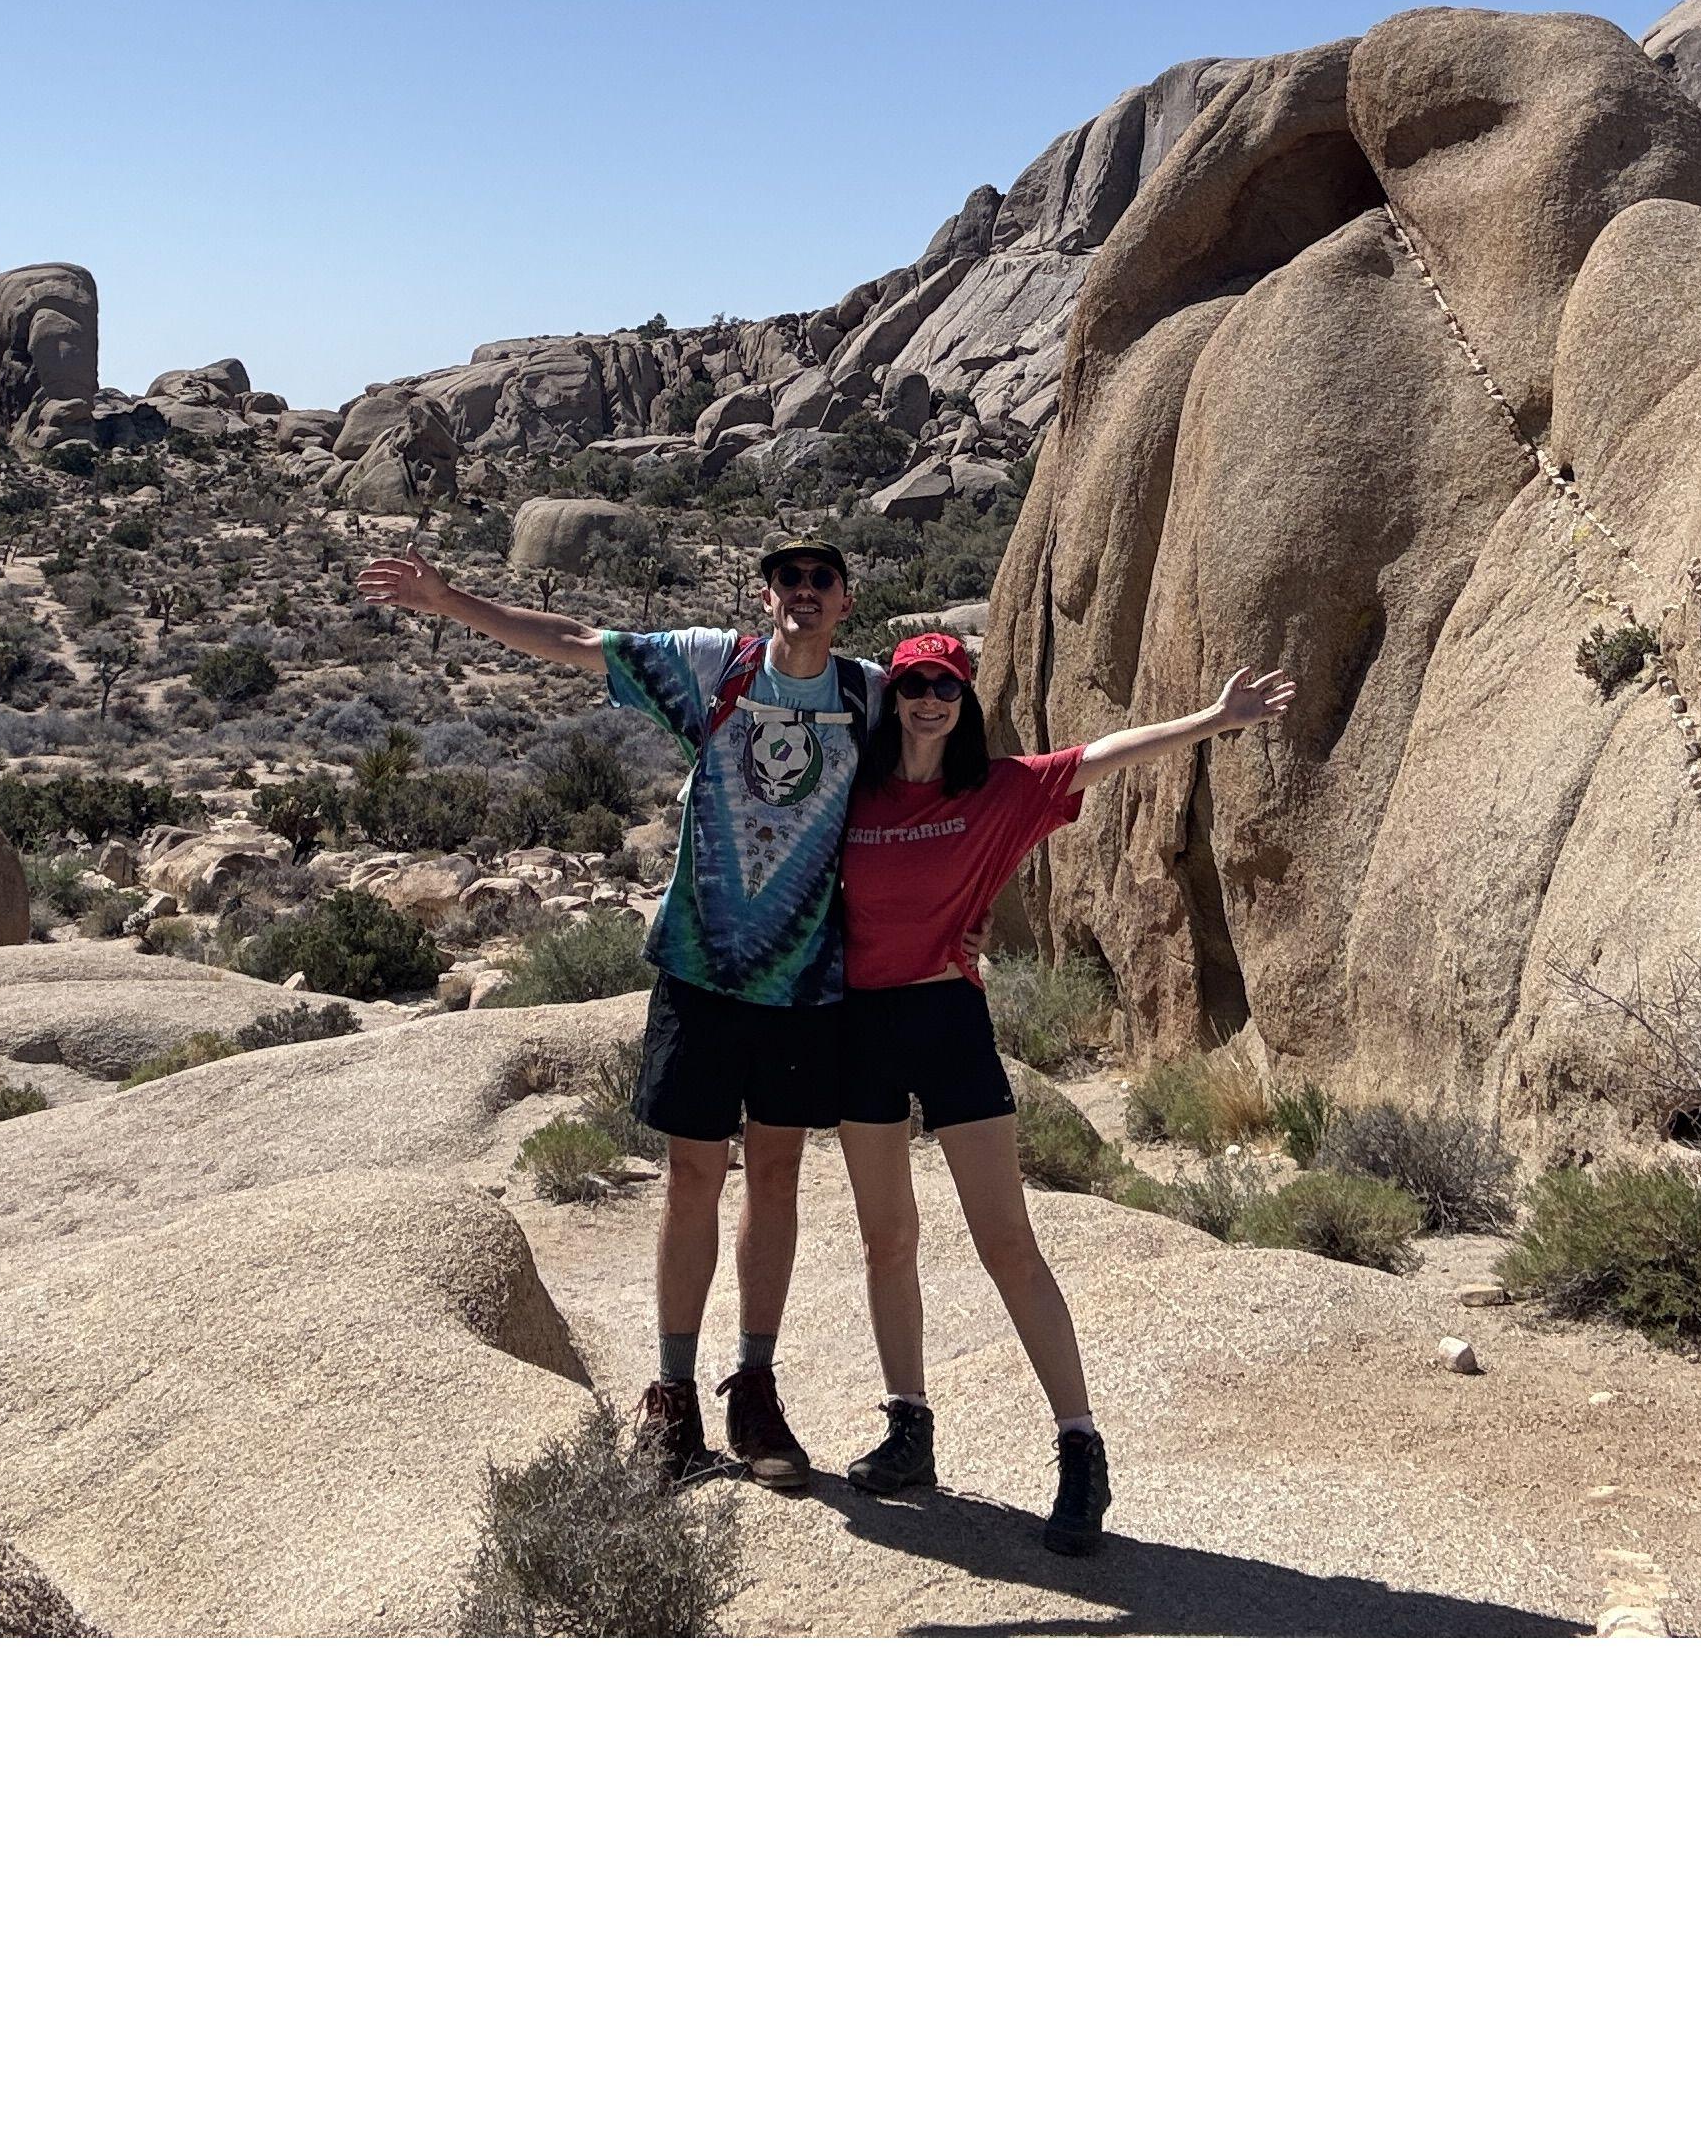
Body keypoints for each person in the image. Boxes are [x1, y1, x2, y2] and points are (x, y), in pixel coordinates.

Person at [356, 532, 892, 1492]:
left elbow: (958, 788)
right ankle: (675, 1394)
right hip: (699, 971)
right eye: (787, 578)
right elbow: (574, 639)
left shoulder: (870, 696)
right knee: (693, 1176)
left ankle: (755, 1387)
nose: (803, 592)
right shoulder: (713, 666)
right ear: (766, 595)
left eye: (822, 579)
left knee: (775, 1175)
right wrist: (455, 602)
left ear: (845, 600)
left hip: (803, 981)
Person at [830, 631, 1294, 1558]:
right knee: (887, 1239)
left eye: (946, 689)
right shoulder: (853, 792)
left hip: (946, 1021)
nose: (928, 701)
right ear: (894, 697)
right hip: (858, 1026)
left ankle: (1080, 1445)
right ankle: (908, 1424)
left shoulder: (1001, 789)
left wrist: (1215, 718)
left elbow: (1106, 755)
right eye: (914, 685)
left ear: (964, 702)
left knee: (1006, 1240)